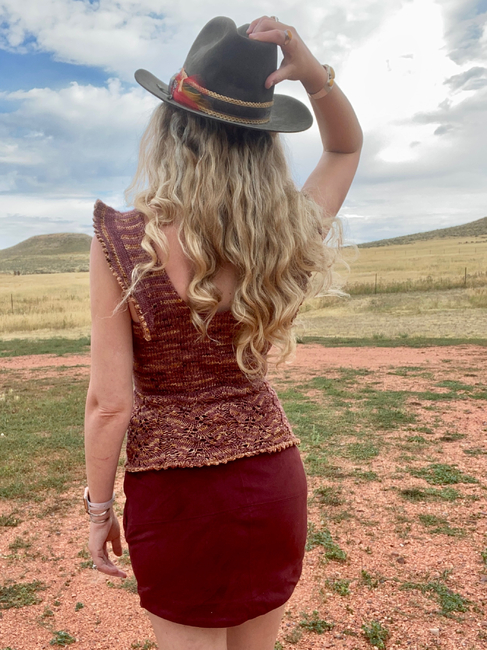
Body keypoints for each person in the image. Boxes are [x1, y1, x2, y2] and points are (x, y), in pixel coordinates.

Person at [84, 15, 362, 650]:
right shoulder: (284, 233)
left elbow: (109, 404)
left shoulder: (122, 240)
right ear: (264, 142)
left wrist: (99, 511)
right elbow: (344, 149)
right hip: (270, 483)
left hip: (174, 498)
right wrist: (315, 77)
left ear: (171, 128)